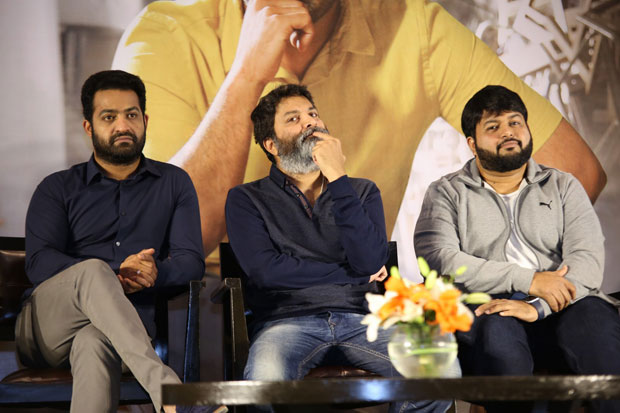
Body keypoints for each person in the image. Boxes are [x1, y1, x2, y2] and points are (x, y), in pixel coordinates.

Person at [112, 0, 606, 258]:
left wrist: (471, 274)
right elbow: (167, 240)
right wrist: (246, 77)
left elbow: (575, 172)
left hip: (348, 302)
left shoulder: (412, 25)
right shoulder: (165, 36)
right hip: (202, 311)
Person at [225, 83, 453, 413]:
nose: (310, 122)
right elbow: (267, 271)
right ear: (271, 144)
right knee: (265, 384)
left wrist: (337, 176)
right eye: (293, 119)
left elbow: (370, 260)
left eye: (313, 114)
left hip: (363, 320)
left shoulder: (360, 191)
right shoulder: (246, 198)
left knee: (437, 373)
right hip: (285, 323)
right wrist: (351, 274)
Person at [17, 70, 224, 413]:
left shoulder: (173, 183)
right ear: (89, 127)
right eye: (109, 117)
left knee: (93, 343)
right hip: (48, 330)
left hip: (125, 334)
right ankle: (172, 394)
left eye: (131, 115)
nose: (122, 126)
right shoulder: (57, 188)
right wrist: (116, 274)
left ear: (145, 120)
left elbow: (190, 262)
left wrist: (153, 272)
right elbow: (39, 263)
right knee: (93, 271)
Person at [413, 85, 620, 413]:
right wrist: (529, 280)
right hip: (485, 310)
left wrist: (538, 305)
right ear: (472, 143)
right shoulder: (446, 193)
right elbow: (442, 261)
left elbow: (587, 261)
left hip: (558, 307)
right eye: (493, 127)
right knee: (499, 331)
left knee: (594, 321)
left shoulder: (563, 186)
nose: (508, 132)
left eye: (515, 123)